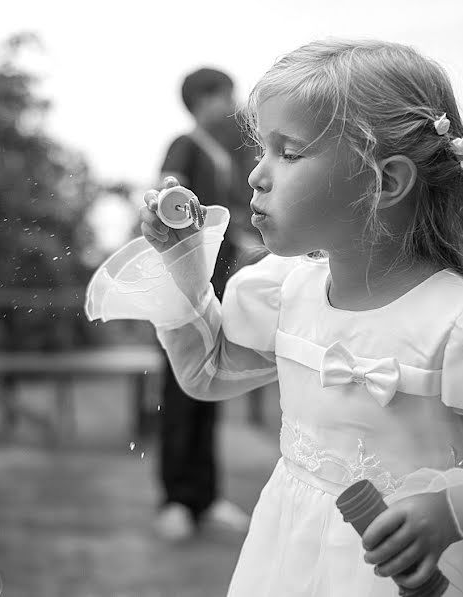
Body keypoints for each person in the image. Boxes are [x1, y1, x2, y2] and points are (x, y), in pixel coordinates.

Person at [86, 39, 463, 596]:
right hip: (292, 559)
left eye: (289, 153)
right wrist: (182, 263)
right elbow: (205, 374)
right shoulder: (285, 292)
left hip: (427, 573)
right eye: (261, 150)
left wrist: (455, 509)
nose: (257, 175)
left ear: (385, 182)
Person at [153, 67, 261, 542]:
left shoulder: (230, 156)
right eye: (225, 97)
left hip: (218, 287)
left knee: (209, 385)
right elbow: (167, 197)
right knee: (179, 392)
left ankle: (207, 496)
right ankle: (175, 499)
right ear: (203, 99)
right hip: (181, 288)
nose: (233, 106)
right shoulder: (186, 145)